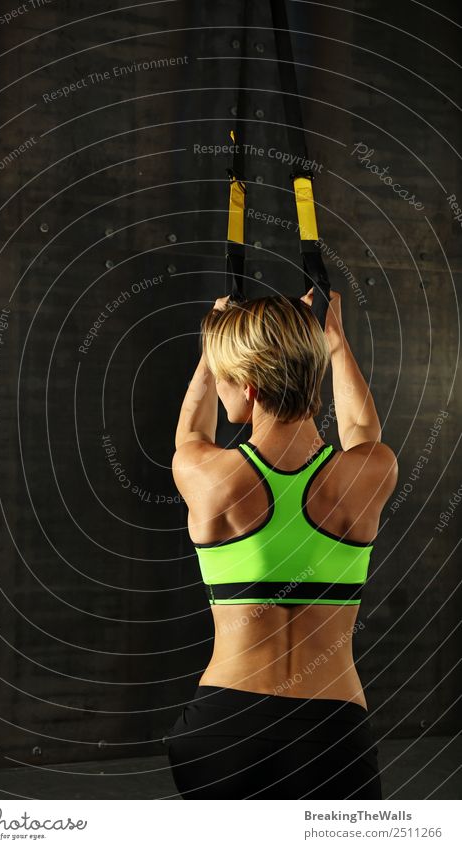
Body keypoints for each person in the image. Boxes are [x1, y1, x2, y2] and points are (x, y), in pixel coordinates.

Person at [163, 287, 398, 799]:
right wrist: (334, 339)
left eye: (225, 377)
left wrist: (208, 354)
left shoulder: (208, 478)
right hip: (332, 727)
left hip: (226, 726)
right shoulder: (368, 475)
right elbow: (361, 429)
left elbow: (189, 436)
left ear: (246, 386)